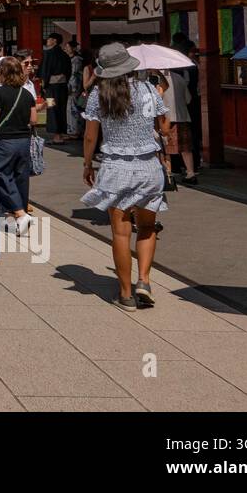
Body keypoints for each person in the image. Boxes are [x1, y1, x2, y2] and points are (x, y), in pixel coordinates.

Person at [81, 42, 170, 310]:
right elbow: (165, 128)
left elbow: (90, 135)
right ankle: (144, 280)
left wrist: (87, 164)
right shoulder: (147, 89)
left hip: (115, 167)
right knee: (146, 227)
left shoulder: (98, 95)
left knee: (121, 234)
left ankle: (126, 293)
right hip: (148, 167)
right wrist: (161, 95)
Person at [0, 55, 38, 235]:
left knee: (3, 175)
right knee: (21, 177)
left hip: (4, 139)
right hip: (23, 140)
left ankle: (19, 213)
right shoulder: (26, 94)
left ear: (3, 72)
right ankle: (18, 214)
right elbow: (33, 120)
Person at [161, 67, 198, 185]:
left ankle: (168, 174)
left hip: (165, 118)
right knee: (185, 147)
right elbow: (188, 99)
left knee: (165, 147)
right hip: (182, 117)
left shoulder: (156, 79)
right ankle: (190, 173)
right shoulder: (179, 78)